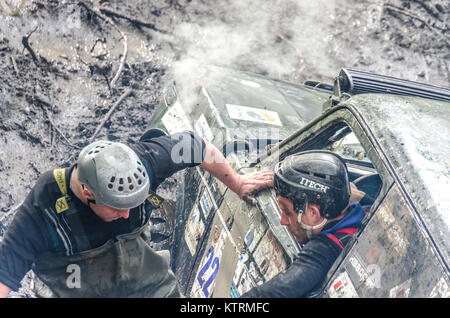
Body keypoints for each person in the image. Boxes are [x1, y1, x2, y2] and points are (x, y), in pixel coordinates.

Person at [0, 130, 273, 298]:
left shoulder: (144, 162)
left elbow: (197, 146)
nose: (127, 214)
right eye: (118, 207)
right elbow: (5, 273)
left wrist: (237, 183)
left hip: (145, 284)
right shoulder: (45, 205)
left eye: (134, 203)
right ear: (87, 193)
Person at [241, 150, 374, 298]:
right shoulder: (373, 211)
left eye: (287, 212)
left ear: (313, 213)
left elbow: (271, 293)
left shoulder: (325, 250)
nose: (282, 221)